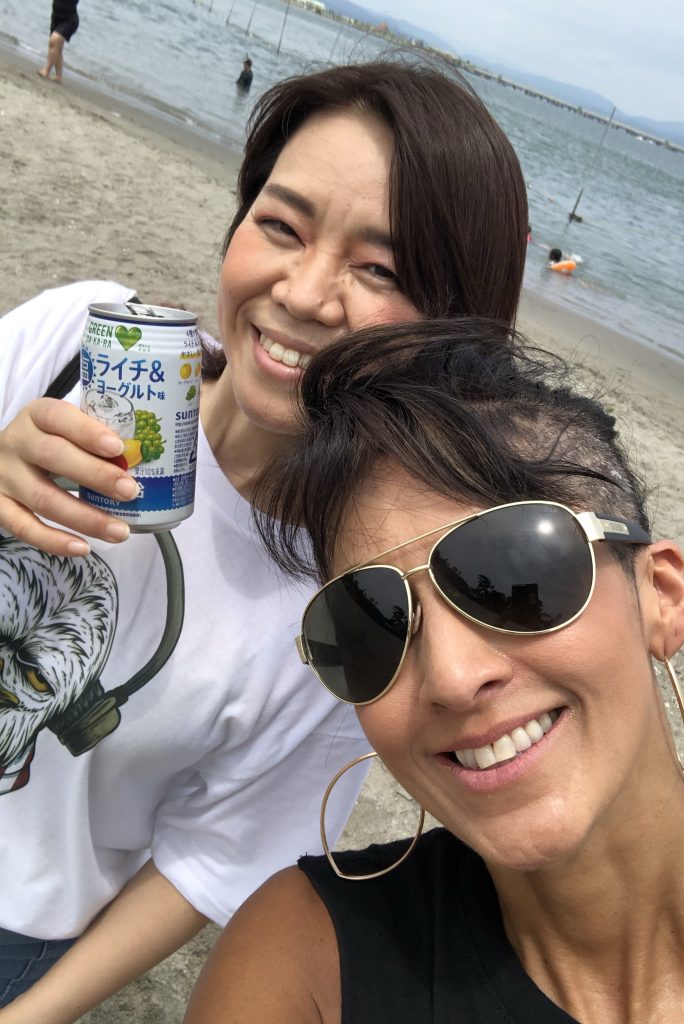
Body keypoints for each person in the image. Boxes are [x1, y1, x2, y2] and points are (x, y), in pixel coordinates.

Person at [0, 58, 528, 1019]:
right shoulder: (71, 341)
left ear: (452, 332)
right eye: (281, 225)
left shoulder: (360, 604)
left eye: (380, 270)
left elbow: (211, 857)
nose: (307, 293)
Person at [184, 320, 684, 1023]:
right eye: (370, 623)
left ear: (660, 597)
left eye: (515, 576)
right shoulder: (303, 959)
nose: (453, 678)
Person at [37, 0, 80, 83]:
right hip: (56, 17)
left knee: (54, 40)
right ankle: (59, 76)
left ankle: (46, 71)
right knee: (57, 47)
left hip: (70, 21)